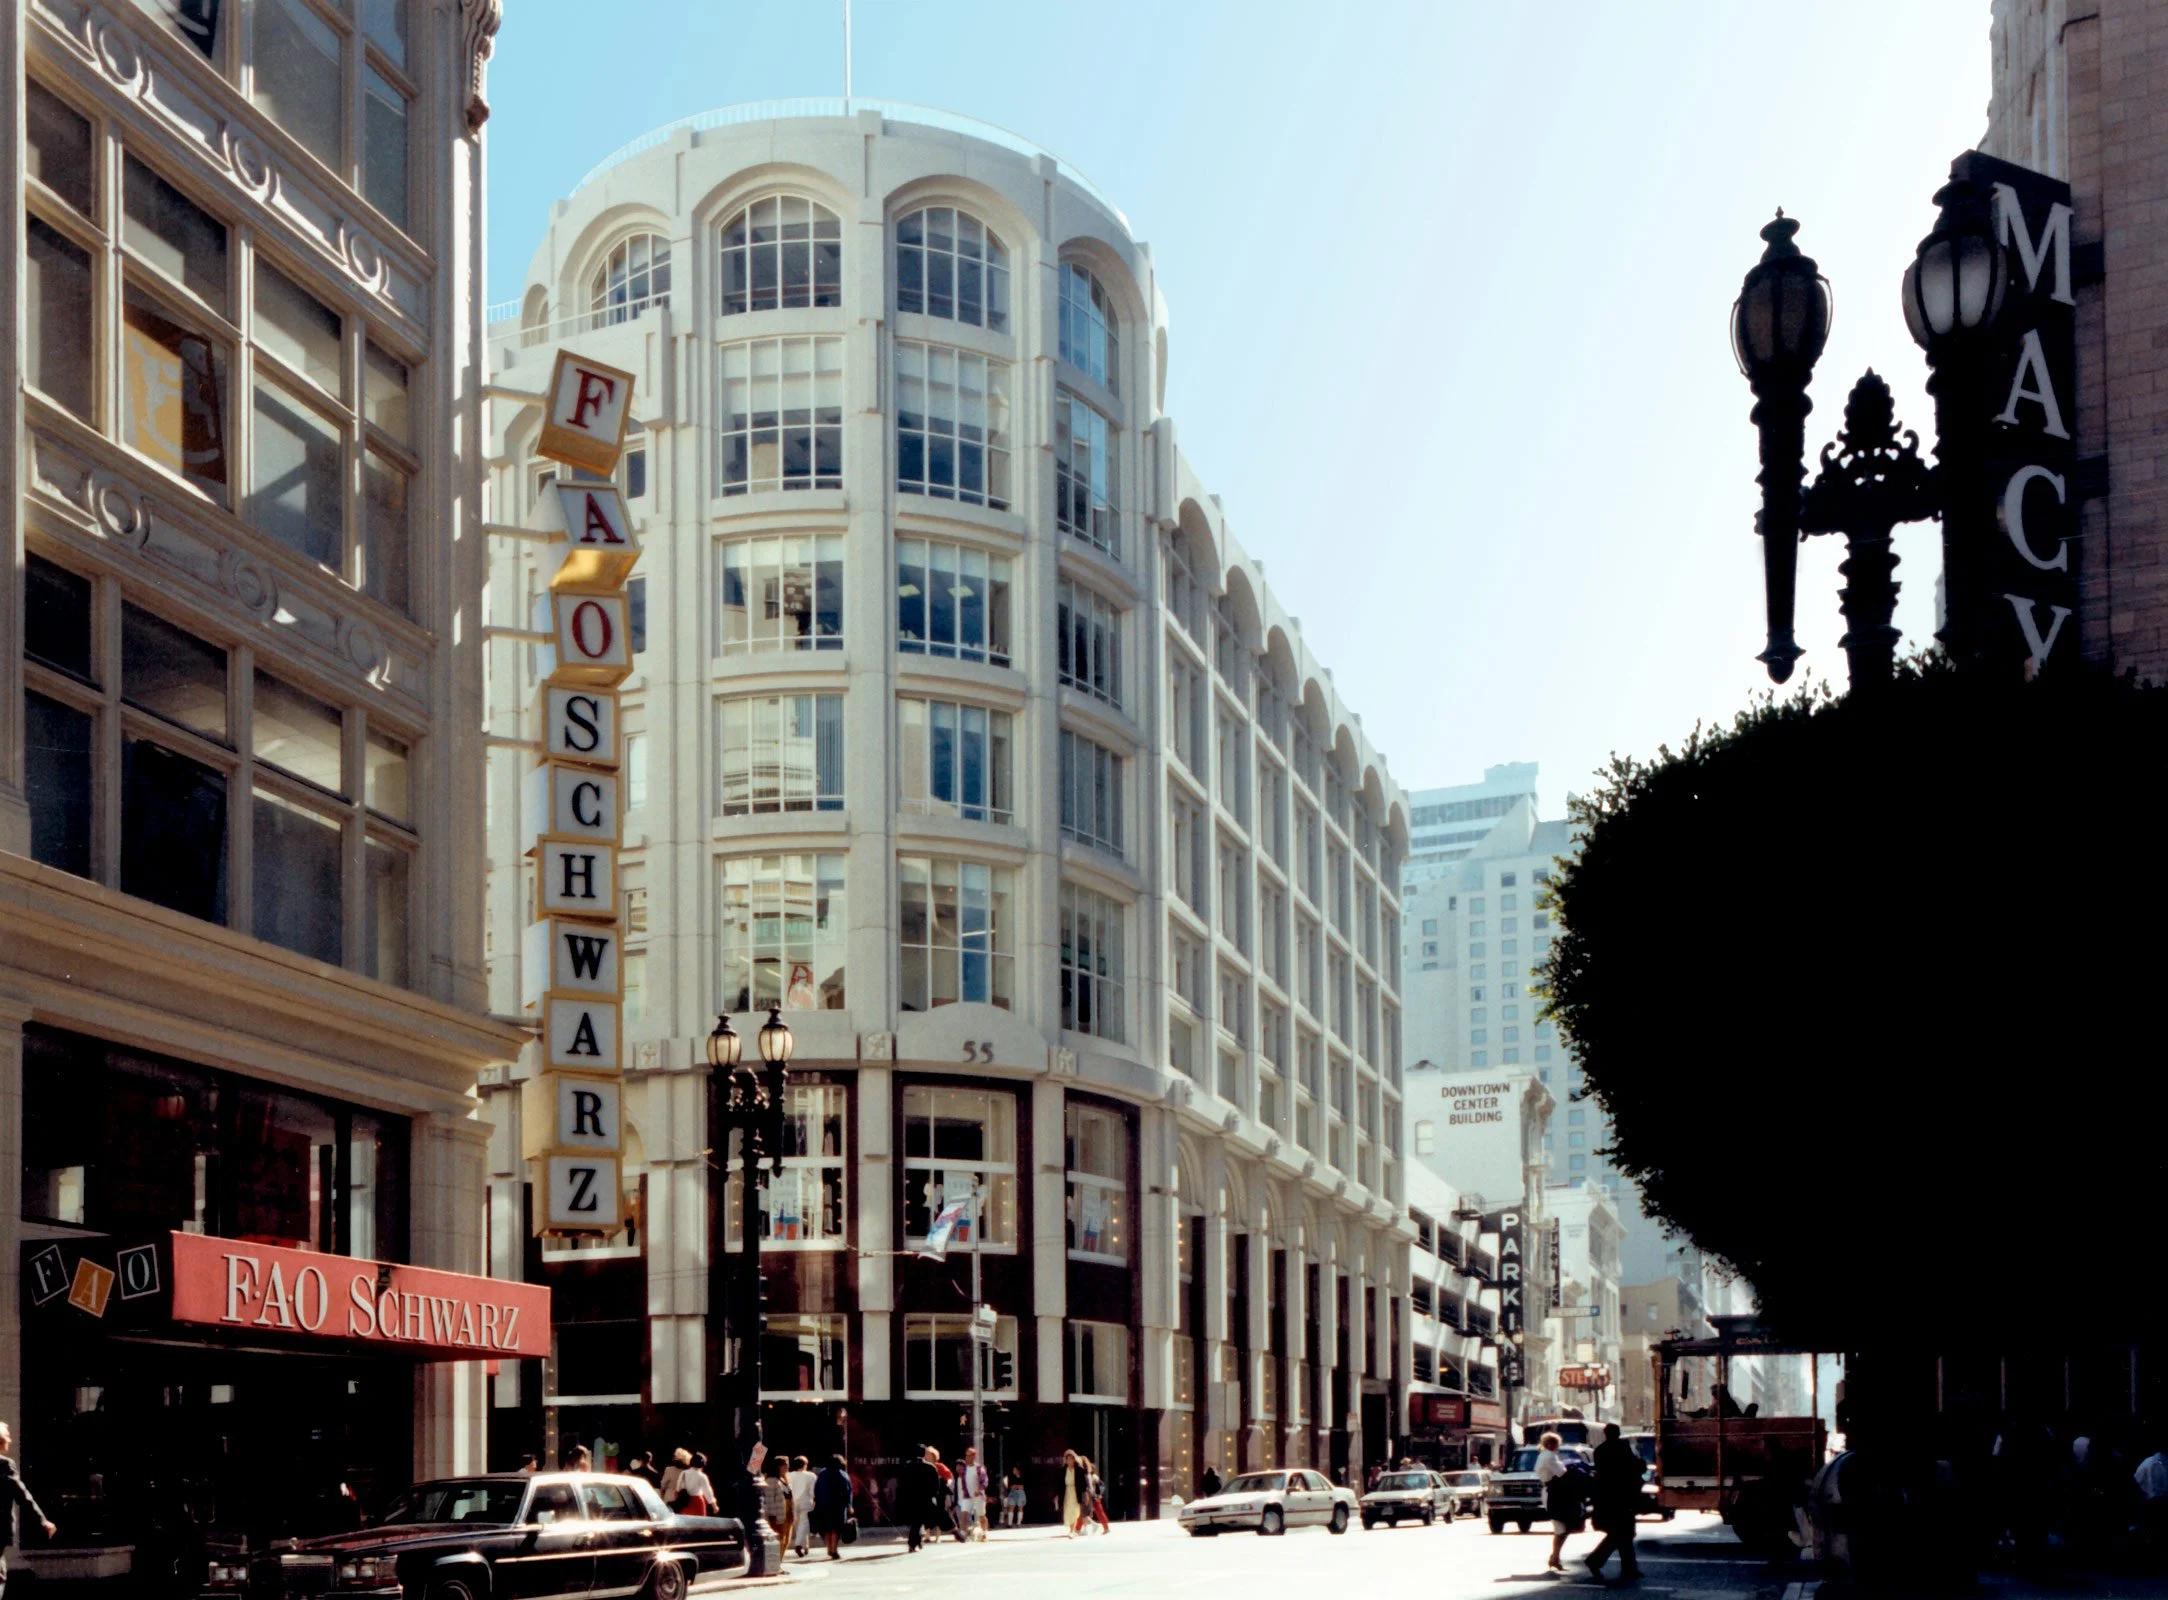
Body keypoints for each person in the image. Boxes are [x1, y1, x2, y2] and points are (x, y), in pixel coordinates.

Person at [0, 1422, 56, 1600]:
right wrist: (42, 1521)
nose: (9, 1440)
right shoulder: (4, 1465)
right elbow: (22, 1496)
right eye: (7, 1437)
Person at [1585, 1423, 1645, 1583]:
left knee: (1621, 1534)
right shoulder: (1623, 1449)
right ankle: (1596, 1561)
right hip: (1622, 1497)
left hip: (1605, 1498)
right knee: (1623, 1534)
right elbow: (1636, 1467)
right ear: (1618, 1433)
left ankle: (1629, 1568)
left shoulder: (1599, 1451)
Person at [1534, 1431, 1583, 1573]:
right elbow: (1562, 1473)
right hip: (1554, 1493)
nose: (1558, 1446)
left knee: (1562, 1528)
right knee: (1561, 1528)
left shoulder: (1544, 1455)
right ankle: (1554, 1557)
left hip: (1552, 1492)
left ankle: (1555, 1557)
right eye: (1556, 1444)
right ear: (1550, 1444)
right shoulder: (1549, 1456)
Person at [899, 1447, 942, 1553]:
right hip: (925, 1498)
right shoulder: (930, 1467)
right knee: (918, 1521)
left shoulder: (907, 1466)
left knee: (916, 1521)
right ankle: (913, 1543)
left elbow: (902, 1483)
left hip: (910, 1497)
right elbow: (936, 1485)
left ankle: (918, 1541)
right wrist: (932, 1496)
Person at [811, 1455, 853, 1561]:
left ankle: (829, 1548)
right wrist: (849, 1505)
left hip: (823, 1504)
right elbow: (847, 1491)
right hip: (838, 1505)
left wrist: (817, 1501)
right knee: (836, 1529)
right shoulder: (842, 1475)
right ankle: (834, 1550)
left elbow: (816, 1489)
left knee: (827, 1528)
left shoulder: (822, 1474)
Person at [954, 1447, 989, 1542]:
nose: (967, 1457)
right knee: (964, 1514)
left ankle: (984, 1533)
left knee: (981, 1515)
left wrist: (979, 1490)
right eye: (966, 1455)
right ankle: (963, 1534)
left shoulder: (979, 1468)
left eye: (969, 1456)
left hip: (978, 1495)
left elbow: (984, 1481)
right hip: (967, 1496)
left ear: (974, 1457)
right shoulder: (964, 1469)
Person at [762, 1460, 793, 1556]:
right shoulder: (771, 1480)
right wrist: (772, 1515)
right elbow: (769, 1500)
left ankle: (780, 1563)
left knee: (786, 1539)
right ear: (777, 1467)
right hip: (777, 1514)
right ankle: (776, 1564)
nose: (787, 1468)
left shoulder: (783, 1479)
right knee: (779, 1540)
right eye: (784, 1466)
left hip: (787, 1512)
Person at [787, 1456, 816, 1556]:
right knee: (804, 1524)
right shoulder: (811, 1476)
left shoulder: (789, 1475)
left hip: (793, 1501)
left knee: (798, 1524)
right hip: (806, 1501)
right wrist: (814, 1500)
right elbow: (812, 1491)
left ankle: (805, 1546)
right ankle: (799, 1544)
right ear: (805, 1465)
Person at [677, 1452, 715, 1517]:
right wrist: (715, 1506)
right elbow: (708, 1492)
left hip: (685, 1501)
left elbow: (678, 1488)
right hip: (698, 1503)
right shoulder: (702, 1476)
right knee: (700, 1523)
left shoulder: (683, 1473)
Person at [1060, 1449, 1087, 1536]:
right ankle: (1072, 1529)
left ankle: (1072, 1531)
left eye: (1071, 1459)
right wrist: (1057, 1496)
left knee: (1075, 1510)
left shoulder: (1079, 1470)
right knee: (1068, 1511)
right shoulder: (1062, 1470)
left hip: (1075, 1492)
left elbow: (1083, 1484)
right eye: (1068, 1459)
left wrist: (1085, 1494)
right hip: (1067, 1492)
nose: (1070, 1461)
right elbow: (1059, 1484)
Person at [1085, 1457, 1110, 1532]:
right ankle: (1078, 1528)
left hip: (1094, 1497)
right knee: (1083, 1513)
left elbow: (1102, 1485)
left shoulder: (1094, 1477)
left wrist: (1099, 1494)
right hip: (1089, 1497)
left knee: (1099, 1512)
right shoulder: (1087, 1476)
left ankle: (1106, 1527)